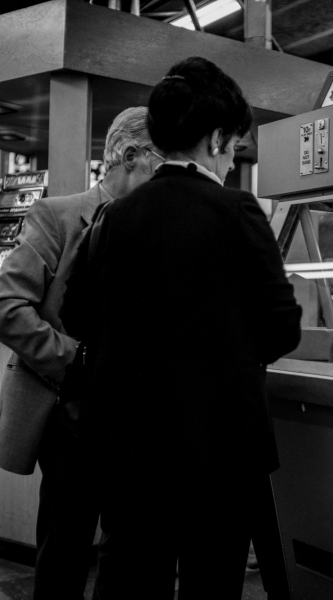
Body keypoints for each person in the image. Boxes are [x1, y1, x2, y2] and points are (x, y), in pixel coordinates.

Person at [62, 56, 302, 600]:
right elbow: (281, 328)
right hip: (219, 450)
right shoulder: (238, 212)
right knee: (210, 584)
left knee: (129, 581)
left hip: (126, 450)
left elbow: (77, 318)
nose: (233, 162)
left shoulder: (113, 218)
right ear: (216, 138)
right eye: (235, 149)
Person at [0, 106, 163, 600]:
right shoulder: (58, 215)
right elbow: (8, 306)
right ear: (130, 155)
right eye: (162, 161)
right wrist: (77, 360)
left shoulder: (159, 230)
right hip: (69, 415)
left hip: (135, 419)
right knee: (65, 547)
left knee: (129, 551)